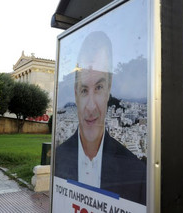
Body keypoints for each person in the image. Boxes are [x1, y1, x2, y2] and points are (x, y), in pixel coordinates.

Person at [55, 31, 146, 205]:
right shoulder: (59, 157)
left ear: (109, 88)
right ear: (75, 94)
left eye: (99, 87)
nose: (90, 107)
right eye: (83, 90)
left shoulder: (135, 171)